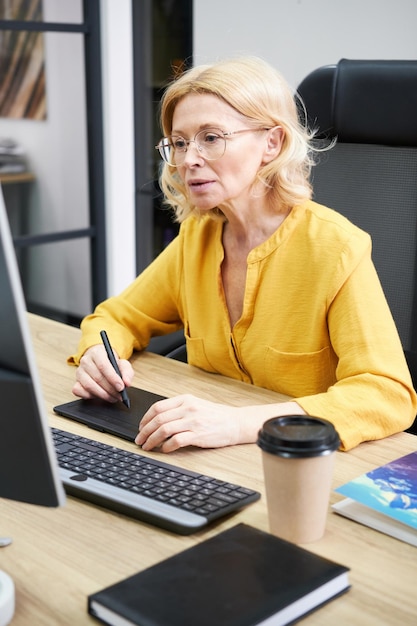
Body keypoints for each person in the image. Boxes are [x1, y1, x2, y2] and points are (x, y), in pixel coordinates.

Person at [69, 56, 417, 453]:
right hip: (208, 454)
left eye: (211, 138)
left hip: (299, 461)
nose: (189, 160)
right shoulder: (197, 237)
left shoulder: (335, 247)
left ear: (272, 142)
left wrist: (238, 423)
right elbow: (116, 317)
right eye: (180, 143)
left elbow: (387, 394)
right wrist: (99, 354)